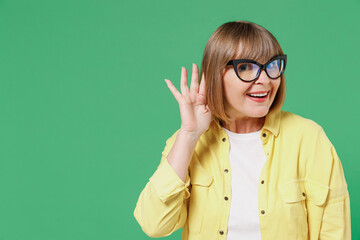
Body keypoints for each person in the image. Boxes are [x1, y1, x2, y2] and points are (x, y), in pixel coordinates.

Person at [133, 21, 351, 240]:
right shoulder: (187, 142)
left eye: (272, 65)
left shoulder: (309, 139)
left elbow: (334, 232)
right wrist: (189, 135)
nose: (265, 80)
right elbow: (154, 225)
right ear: (215, 74)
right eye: (246, 67)